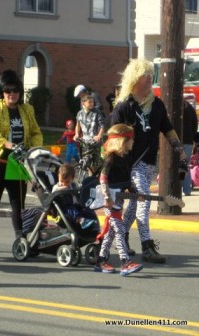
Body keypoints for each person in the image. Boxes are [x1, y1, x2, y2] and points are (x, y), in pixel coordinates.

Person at [111, 58, 187, 263]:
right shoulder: (124, 106)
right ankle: (147, 246)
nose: (148, 80)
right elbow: (113, 138)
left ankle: (123, 237)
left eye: (149, 76)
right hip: (129, 164)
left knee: (135, 205)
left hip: (147, 164)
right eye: (145, 76)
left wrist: (179, 150)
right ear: (135, 78)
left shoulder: (157, 105)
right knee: (143, 202)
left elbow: (168, 129)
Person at [0, 69, 43, 253]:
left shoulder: (26, 109)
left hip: (18, 163)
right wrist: (10, 145)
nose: (12, 94)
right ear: (1, 92)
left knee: (18, 202)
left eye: (15, 90)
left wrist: (33, 148)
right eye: (8, 91)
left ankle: (20, 238)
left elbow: (36, 132)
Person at [94, 124, 143, 276]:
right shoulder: (111, 158)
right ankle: (125, 262)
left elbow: (127, 182)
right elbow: (103, 178)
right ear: (123, 140)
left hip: (119, 200)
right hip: (109, 201)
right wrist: (107, 197)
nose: (133, 142)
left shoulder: (125, 158)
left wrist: (136, 193)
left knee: (110, 234)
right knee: (120, 230)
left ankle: (101, 261)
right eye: (131, 139)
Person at [74, 95, 105, 174]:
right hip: (85, 142)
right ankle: (89, 177)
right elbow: (78, 125)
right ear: (83, 103)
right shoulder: (79, 113)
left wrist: (99, 136)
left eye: (93, 102)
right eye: (89, 102)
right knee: (86, 162)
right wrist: (77, 134)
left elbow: (102, 126)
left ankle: (100, 177)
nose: (92, 104)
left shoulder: (97, 112)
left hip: (96, 142)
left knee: (98, 163)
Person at [182, 100, 198, 196]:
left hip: (173, 140)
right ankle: (186, 189)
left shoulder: (171, 105)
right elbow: (195, 124)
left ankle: (177, 188)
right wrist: (193, 138)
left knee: (174, 165)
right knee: (184, 165)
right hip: (187, 141)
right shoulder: (190, 107)